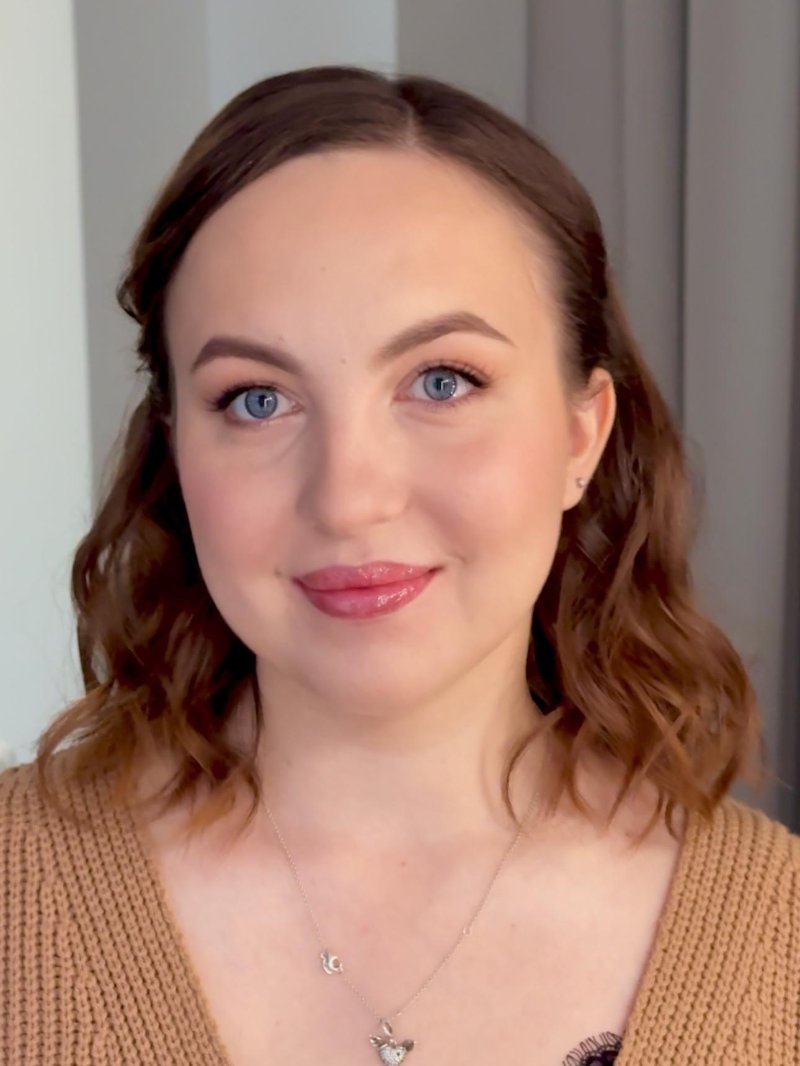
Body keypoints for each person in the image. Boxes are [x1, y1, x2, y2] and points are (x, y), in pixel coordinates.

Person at [1, 65, 797, 1066]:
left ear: (580, 435)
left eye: (441, 381)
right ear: (176, 451)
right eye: (256, 399)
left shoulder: (779, 942)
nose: (348, 496)